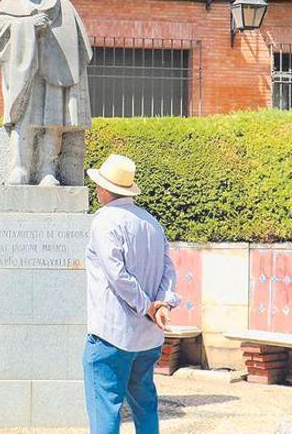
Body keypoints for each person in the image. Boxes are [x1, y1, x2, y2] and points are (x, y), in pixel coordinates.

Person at [83, 154, 182, 434]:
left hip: (111, 332)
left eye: (98, 185)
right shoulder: (151, 222)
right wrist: (162, 304)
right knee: (145, 405)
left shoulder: (105, 222)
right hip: (148, 336)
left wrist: (148, 306)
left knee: (105, 406)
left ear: (104, 189)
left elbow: (117, 275)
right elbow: (168, 270)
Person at [0, 0, 92, 186]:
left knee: (52, 122)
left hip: (55, 73)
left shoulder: (61, 3)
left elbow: (80, 45)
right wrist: (27, 27)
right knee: (23, 121)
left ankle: (47, 171)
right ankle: (19, 169)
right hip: (25, 75)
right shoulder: (9, 6)